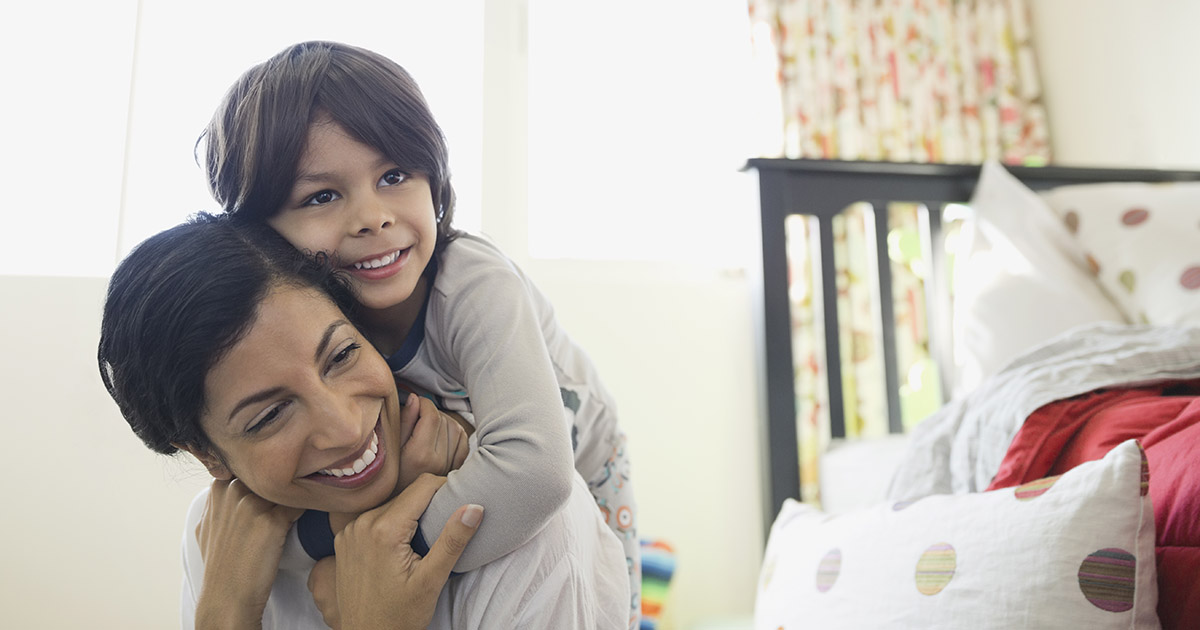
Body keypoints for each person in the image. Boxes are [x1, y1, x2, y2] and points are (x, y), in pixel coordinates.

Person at [201, 40, 641, 623]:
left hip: (583, 458)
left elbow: (535, 471)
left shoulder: (473, 283)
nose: (373, 217)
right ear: (260, 234)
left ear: (433, 178)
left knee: (612, 597)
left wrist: (380, 558)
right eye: (323, 195)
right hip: (471, 452)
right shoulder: (308, 321)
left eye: (394, 174)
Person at [98, 214, 630, 629]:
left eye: (342, 356)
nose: (348, 428)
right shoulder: (220, 543)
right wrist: (225, 616)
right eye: (272, 414)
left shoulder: (515, 516)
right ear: (207, 454)